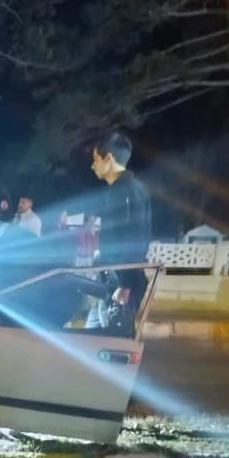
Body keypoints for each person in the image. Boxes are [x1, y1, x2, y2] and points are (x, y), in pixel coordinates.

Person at [80, 130, 153, 322]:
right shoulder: (124, 190)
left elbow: (134, 238)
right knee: (93, 340)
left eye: (96, 159)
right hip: (112, 279)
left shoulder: (127, 191)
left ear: (109, 158)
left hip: (123, 282)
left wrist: (125, 285)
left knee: (114, 345)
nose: (92, 165)